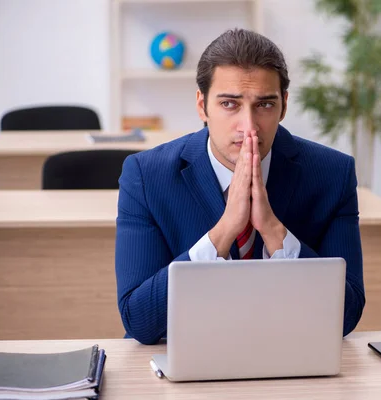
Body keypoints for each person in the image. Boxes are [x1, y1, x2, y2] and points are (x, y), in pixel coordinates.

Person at [115, 28, 365, 345]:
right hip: (187, 353)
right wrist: (223, 231)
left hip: (288, 351)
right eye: (230, 104)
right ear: (202, 106)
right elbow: (139, 322)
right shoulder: (146, 176)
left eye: (264, 105)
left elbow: (347, 316)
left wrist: (274, 231)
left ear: (284, 106)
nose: (248, 126)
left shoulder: (333, 173)